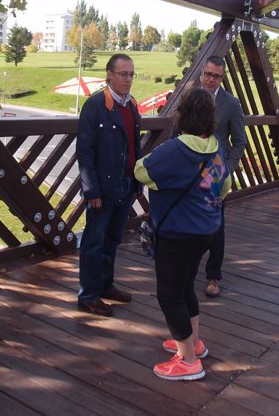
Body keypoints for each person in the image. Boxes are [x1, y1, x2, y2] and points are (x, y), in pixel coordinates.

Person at [135, 88, 231, 381]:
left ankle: (189, 361)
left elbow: (142, 171)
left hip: (177, 233)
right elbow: (223, 188)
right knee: (186, 285)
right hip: (205, 231)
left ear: (183, 115)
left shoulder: (175, 149)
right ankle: (194, 343)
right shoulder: (216, 148)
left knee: (169, 295)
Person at [76, 54, 141, 317]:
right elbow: (85, 152)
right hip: (102, 188)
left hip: (125, 184)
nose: (128, 79)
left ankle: (105, 286)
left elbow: (134, 146)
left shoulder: (132, 105)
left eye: (131, 74)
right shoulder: (95, 105)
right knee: (94, 241)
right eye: (123, 74)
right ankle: (88, 295)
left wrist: (136, 182)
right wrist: (91, 190)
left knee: (113, 239)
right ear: (109, 75)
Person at [199, 56, 246, 297]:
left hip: (216, 176)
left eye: (216, 75)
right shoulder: (191, 97)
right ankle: (186, 271)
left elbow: (239, 142)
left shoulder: (231, 104)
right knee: (188, 222)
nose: (210, 79)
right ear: (202, 73)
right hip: (191, 173)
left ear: (222, 78)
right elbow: (176, 133)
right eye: (208, 73)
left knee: (217, 226)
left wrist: (226, 168)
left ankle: (213, 277)